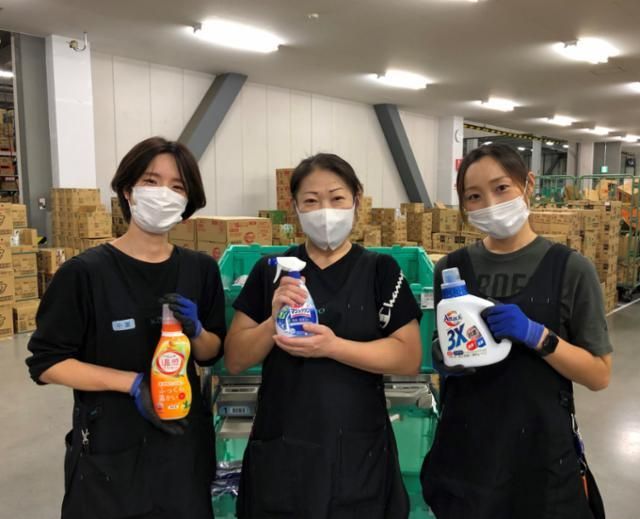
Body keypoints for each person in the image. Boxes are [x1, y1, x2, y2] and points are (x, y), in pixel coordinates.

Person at [26, 137, 226, 519]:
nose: (163, 193)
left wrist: (198, 331)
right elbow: (47, 363)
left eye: (177, 186)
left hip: (181, 441)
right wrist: (132, 383)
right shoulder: (85, 273)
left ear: (187, 203)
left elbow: (211, 352)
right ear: (128, 191)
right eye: (151, 181)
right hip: (111, 447)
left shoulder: (200, 270)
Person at [224, 153, 423, 518]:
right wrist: (272, 320)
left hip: (357, 449)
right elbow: (235, 358)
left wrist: (333, 347)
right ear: (295, 208)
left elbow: (408, 356)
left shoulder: (380, 271)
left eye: (337, 198)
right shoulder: (271, 271)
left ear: (356, 200)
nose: (325, 211)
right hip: (284, 448)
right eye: (311, 201)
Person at [420, 143, 612, 519]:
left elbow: (599, 374)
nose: (490, 203)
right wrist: (443, 357)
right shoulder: (450, 269)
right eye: (474, 196)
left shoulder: (571, 270)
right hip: (467, 453)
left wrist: (539, 337)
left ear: (529, 184)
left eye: (501, 188)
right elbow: (440, 349)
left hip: (540, 457)